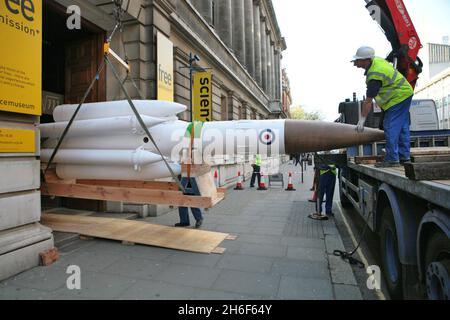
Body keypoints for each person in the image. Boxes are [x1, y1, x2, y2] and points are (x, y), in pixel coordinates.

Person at [352, 46, 414, 167]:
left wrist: (362, 120)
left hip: (397, 98)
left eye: (358, 60)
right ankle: (404, 157)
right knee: (402, 127)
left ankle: (392, 159)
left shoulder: (375, 75)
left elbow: (368, 101)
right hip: (404, 94)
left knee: (390, 126)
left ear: (367, 60)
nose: (355, 63)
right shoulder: (377, 61)